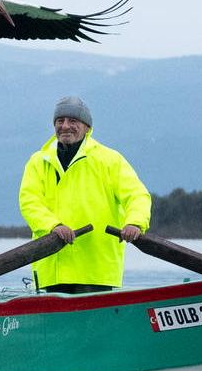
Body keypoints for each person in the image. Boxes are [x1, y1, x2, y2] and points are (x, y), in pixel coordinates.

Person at [19, 96, 152, 294]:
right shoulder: (38, 161)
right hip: (50, 268)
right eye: (60, 121)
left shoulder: (110, 160)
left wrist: (135, 223)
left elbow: (137, 195)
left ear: (87, 127)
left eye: (73, 121)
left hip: (96, 269)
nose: (65, 126)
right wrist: (53, 226)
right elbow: (29, 202)